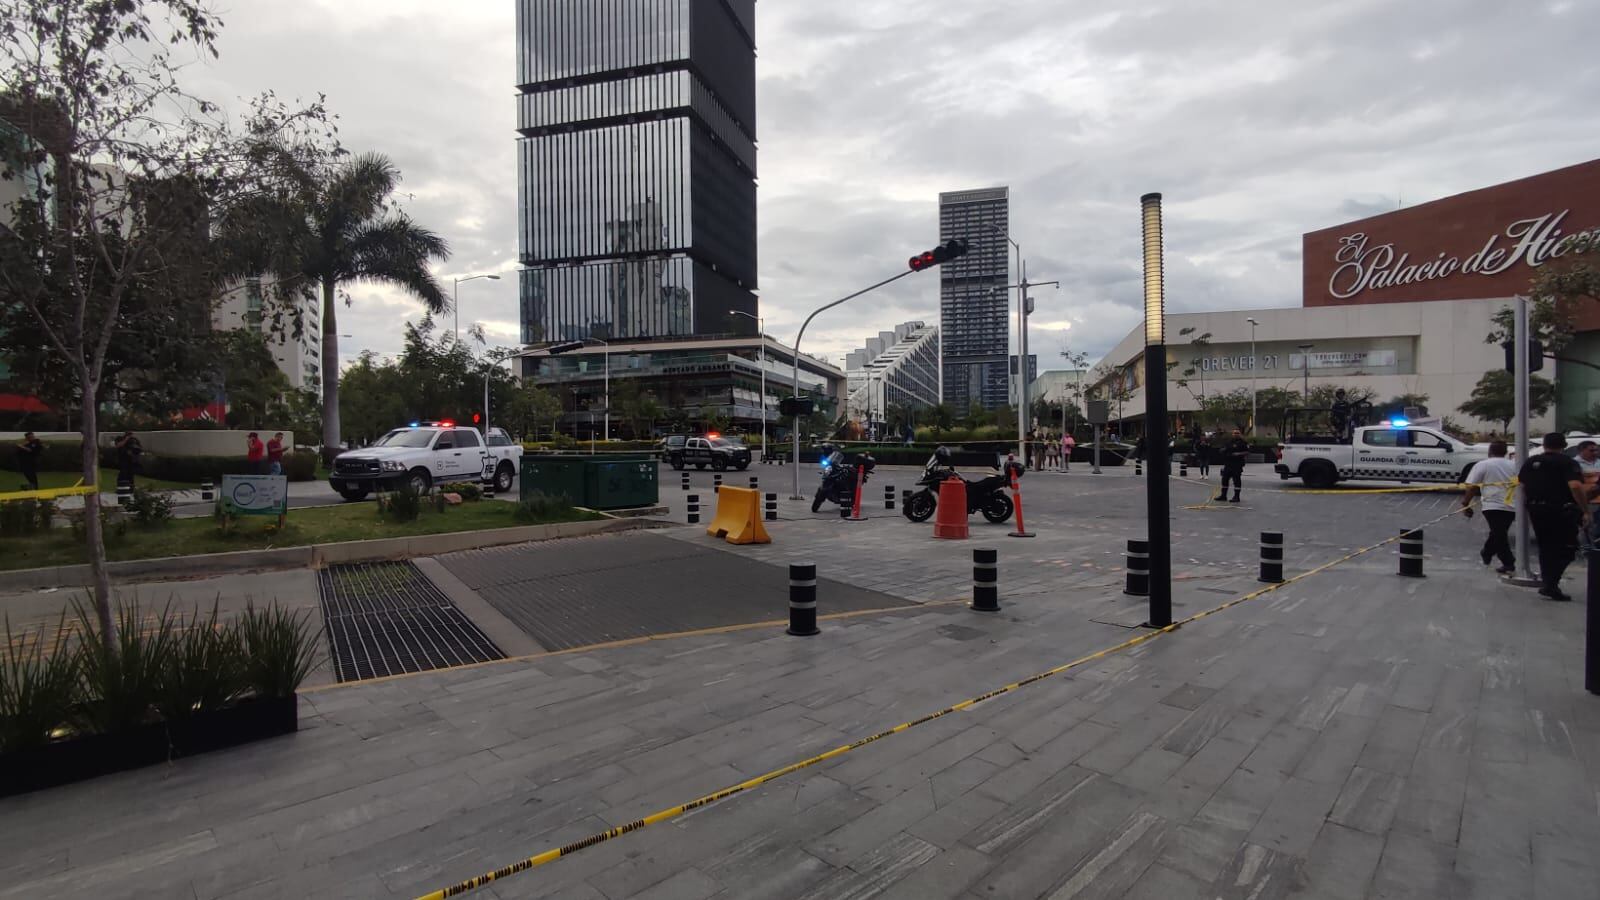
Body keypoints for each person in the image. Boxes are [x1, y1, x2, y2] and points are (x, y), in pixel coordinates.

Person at [1518, 432, 1590, 601]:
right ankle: (1551, 584)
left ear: (1544, 444)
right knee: (1568, 548)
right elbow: (1575, 486)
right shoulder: (1567, 463)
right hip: (1560, 511)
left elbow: (1521, 485)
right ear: (1564, 445)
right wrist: (1585, 510)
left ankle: (1548, 583)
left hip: (1536, 509)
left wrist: (1526, 508)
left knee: (1546, 547)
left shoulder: (1531, 462)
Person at [1460, 440, 1518, 574]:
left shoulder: (1483, 465)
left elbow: (1472, 486)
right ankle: (1491, 554)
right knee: (1500, 532)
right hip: (1511, 505)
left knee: (1498, 533)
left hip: (1491, 505)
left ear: (1489, 451)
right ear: (1505, 452)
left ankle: (1506, 561)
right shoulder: (1514, 465)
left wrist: (1465, 503)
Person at [1576, 439, 1599, 549]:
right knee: (1588, 526)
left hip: (1598, 500)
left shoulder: (1598, 462)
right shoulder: (1575, 464)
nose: (1595, 453)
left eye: (1596, 450)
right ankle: (1588, 549)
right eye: (1591, 450)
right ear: (1582, 451)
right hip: (1587, 500)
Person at [1217, 429, 1249, 502]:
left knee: (1236, 480)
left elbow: (1247, 452)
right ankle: (1223, 495)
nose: (1236, 434)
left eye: (1237, 433)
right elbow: (1223, 449)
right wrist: (1222, 450)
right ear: (1232, 434)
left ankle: (1236, 496)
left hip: (1237, 464)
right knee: (1224, 480)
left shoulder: (1243, 442)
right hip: (1228, 463)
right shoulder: (1229, 442)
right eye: (1234, 433)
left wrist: (1239, 454)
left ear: (1239, 434)